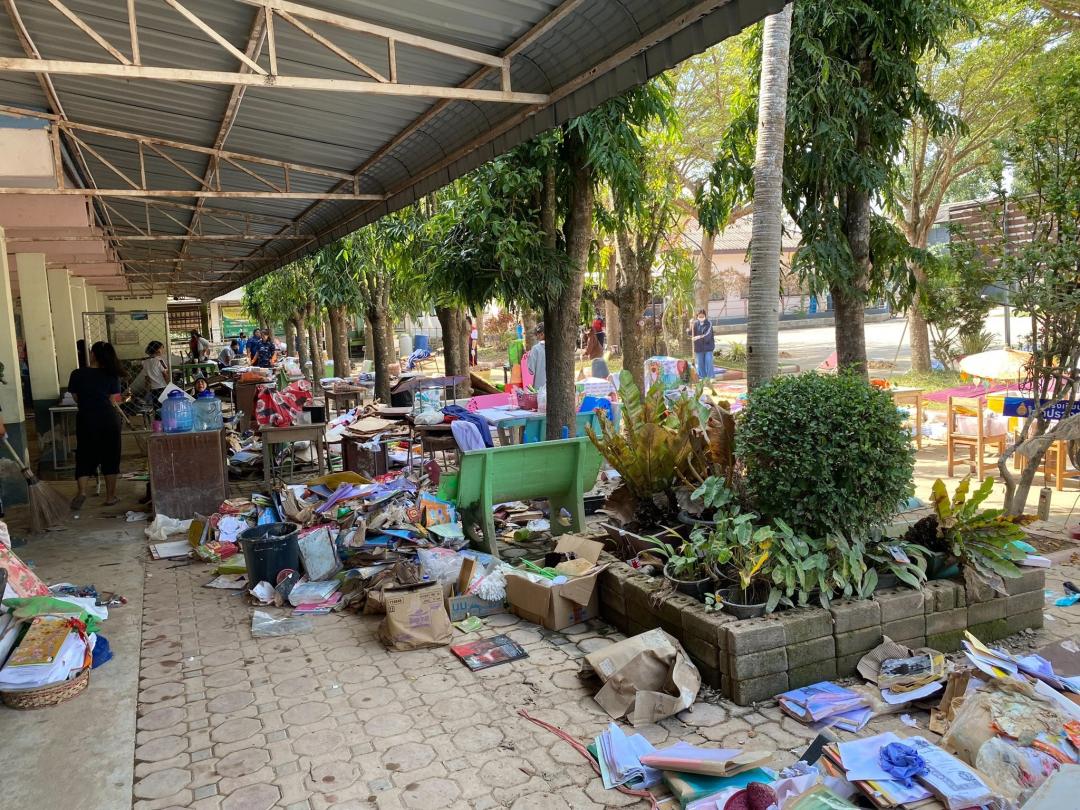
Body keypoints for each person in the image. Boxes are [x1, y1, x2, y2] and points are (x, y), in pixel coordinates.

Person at [67, 341, 124, 509]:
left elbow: (76, 398)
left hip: (86, 418)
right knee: (110, 456)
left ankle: (82, 492)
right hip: (108, 419)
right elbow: (113, 400)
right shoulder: (112, 374)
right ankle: (110, 497)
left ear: (92, 354)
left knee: (84, 454)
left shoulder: (77, 373)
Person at [690, 309, 715, 381]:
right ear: (697, 316)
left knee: (708, 361)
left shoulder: (709, 323)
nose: (701, 317)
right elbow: (691, 333)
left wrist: (699, 337)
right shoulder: (695, 324)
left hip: (708, 347)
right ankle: (702, 377)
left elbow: (708, 334)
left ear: (705, 316)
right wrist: (690, 324)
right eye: (700, 316)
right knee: (700, 363)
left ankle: (711, 377)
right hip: (699, 347)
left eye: (702, 316)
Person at [141, 341, 169, 405]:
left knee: (156, 405)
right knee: (165, 405)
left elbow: (147, 378)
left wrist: (147, 390)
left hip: (153, 389)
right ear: (157, 350)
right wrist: (170, 384)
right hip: (163, 387)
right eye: (162, 348)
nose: (163, 350)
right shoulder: (160, 361)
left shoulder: (145, 362)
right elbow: (165, 374)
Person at [527, 322, 546, 389]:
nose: (536, 337)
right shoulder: (557, 348)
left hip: (540, 387)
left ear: (542, 334)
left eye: (537, 335)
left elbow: (531, 370)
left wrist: (528, 357)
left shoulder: (535, 349)